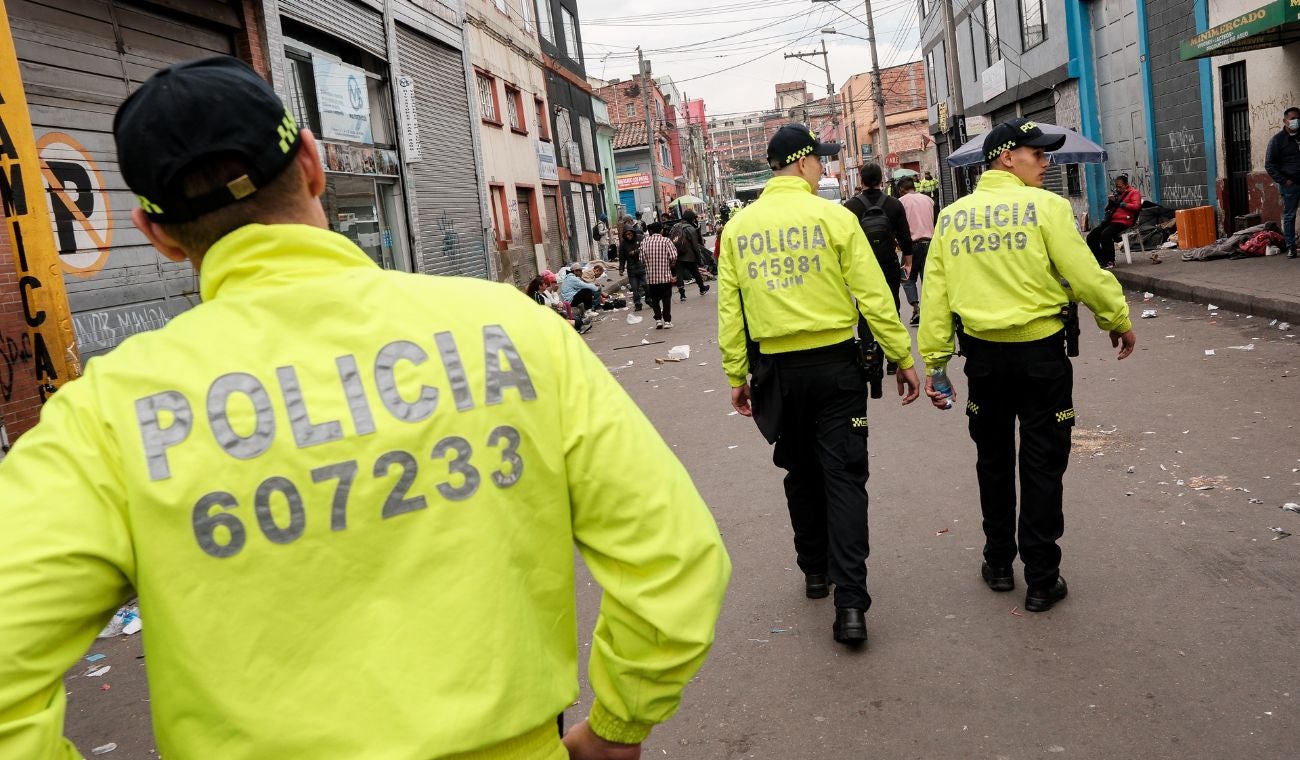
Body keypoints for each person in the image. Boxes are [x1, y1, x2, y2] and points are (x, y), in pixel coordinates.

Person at [0, 56, 731, 758]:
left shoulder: (107, 414)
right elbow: (675, 563)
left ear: (156, 234)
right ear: (313, 164)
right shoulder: (512, 331)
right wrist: (616, 724)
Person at [918, 117, 1136, 614]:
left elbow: (936, 298)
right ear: (1005, 157)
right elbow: (1083, 272)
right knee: (1042, 465)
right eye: (1037, 154)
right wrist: (1116, 317)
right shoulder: (1046, 208)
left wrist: (935, 364)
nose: (1046, 162)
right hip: (1041, 359)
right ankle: (1041, 578)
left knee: (993, 463)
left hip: (984, 364)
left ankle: (998, 564)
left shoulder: (953, 218)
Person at [717, 123, 920, 646]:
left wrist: (735, 373)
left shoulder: (740, 229)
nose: (820, 170)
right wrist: (901, 357)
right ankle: (851, 605)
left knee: (800, 471)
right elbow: (874, 294)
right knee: (846, 477)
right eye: (818, 162)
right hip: (836, 368)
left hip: (777, 374)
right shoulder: (833, 218)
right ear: (805, 163)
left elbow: (729, 310)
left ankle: (813, 569)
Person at [844, 163, 913, 373]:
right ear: (881, 179)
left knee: (865, 309)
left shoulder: (850, 207)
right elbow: (904, 235)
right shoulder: (893, 204)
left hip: (862, 267)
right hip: (889, 263)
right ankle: (894, 359)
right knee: (892, 307)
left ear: (861, 180)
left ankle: (870, 356)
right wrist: (907, 262)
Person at [896, 177, 936, 326]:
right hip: (930, 244)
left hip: (910, 247)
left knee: (906, 278)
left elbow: (899, 225)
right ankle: (930, 311)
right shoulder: (929, 200)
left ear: (901, 189)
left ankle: (916, 308)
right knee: (929, 279)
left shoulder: (901, 202)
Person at [1264, 105, 1300, 258]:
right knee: (1290, 216)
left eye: (1298, 118)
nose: (1296, 121)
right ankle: (1291, 247)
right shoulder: (1277, 140)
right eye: (1293, 119)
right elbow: (1269, 164)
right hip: (1290, 185)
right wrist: (1284, 181)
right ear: (1285, 121)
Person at [1085, 175, 1142, 269]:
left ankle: (1110, 260)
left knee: (1105, 234)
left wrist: (1123, 204)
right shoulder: (1117, 194)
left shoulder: (1134, 193)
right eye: (1117, 186)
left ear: (1126, 185)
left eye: (1120, 186)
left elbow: (1136, 207)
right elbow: (1107, 209)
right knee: (1092, 236)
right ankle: (1100, 259)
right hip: (1111, 220)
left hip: (1124, 221)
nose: (1118, 188)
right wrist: (1111, 202)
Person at [640, 221, 678, 329]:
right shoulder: (666, 241)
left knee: (655, 300)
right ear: (661, 230)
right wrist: (670, 264)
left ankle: (658, 320)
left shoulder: (644, 242)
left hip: (651, 278)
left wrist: (648, 264)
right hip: (665, 277)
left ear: (651, 231)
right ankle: (667, 321)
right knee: (666, 299)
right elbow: (674, 256)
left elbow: (641, 259)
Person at [671, 210, 711, 301]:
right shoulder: (691, 229)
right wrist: (699, 258)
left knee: (679, 274)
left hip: (678, 255)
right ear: (691, 219)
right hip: (689, 256)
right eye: (693, 219)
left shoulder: (675, 226)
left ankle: (682, 295)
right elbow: (695, 246)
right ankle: (702, 288)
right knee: (695, 272)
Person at [619, 225, 646, 311]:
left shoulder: (640, 238)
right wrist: (621, 268)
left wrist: (635, 252)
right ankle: (637, 304)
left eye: (630, 234)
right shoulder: (623, 244)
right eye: (626, 234)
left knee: (646, 285)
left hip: (641, 266)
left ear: (633, 233)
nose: (628, 236)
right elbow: (622, 257)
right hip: (631, 269)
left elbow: (645, 248)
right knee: (635, 288)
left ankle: (649, 299)